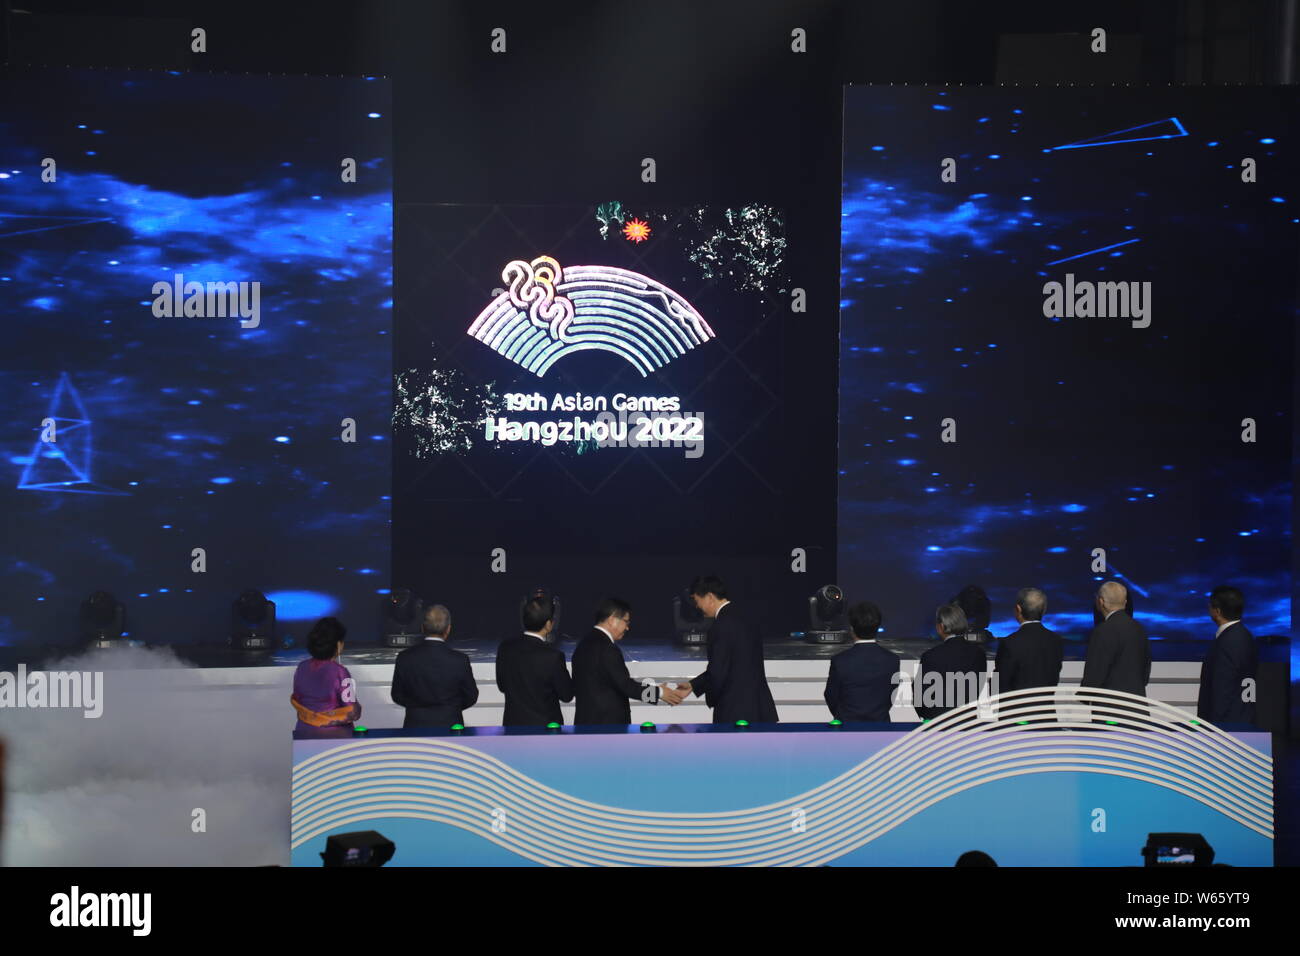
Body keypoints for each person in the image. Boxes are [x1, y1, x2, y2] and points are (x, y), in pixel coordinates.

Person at [678, 575, 778, 724]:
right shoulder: (747, 618)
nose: (697, 607)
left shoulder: (720, 626)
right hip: (761, 709)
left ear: (710, 597)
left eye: (697, 601)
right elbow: (736, 664)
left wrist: (712, 697)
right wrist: (694, 685)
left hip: (734, 713)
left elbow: (718, 671)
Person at [572, 598, 684, 725]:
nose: (627, 628)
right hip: (608, 727)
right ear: (612, 620)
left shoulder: (583, 644)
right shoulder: (608, 649)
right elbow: (626, 686)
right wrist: (659, 692)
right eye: (626, 621)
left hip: (585, 724)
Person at [390, 604, 479, 729]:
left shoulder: (405, 658)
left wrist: (416, 708)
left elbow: (397, 695)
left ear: (422, 628)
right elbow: (471, 696)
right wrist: (450, 709)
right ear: (448, 629)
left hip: (415, 725)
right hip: (451, 726)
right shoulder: (460, 660)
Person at [496, 594, 575, 726]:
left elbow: (502, 685)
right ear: (549, 624)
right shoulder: (553, 657)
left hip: (513, 729)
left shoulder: (505, 649)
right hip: (546, 731)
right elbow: (567, 695)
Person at [1080, 581, 1151, 723]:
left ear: (1101, 602)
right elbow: (1145, 674)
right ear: (1125, 602)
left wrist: (1084, 695)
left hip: (1110, 713)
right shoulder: (1139, 629)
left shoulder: (1102, 631)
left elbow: (1095, 672)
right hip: (1138, 711)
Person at [824, 601, 898, 722]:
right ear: (877, 627)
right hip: (881, 727)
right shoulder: (892, 660)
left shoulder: (840, 661)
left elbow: (831, 695)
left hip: (847, 727)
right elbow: (890, 696)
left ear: (851, 628)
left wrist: (843, 716)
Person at [1196, 586, 1257, 726]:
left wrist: (1211, 726)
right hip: (1244, 720)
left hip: (1226, 728)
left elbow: (1222, 689)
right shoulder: (1245, 636)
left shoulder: (1227, 641)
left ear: (1217, 611)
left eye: (1210, 606)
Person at [291, 617, 361, 738]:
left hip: (304, 732)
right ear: (338, 645)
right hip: (335, 736)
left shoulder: (301, 667)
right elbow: (352, 711)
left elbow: (298, 698)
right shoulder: (340, 672)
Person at [914, 603, 987, 720]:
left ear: (941, 626)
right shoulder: (979, 654)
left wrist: (926, 716)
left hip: (936, 721)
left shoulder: (931, 656)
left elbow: (919, 695)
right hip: (967, 720)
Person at [994, 587, 1063, 693]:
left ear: (1018, 609)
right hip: (1047, 708)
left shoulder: (1009, 643)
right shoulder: (1056, 641)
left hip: (1016, 708)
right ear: (1044, 610)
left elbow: (999, 683)